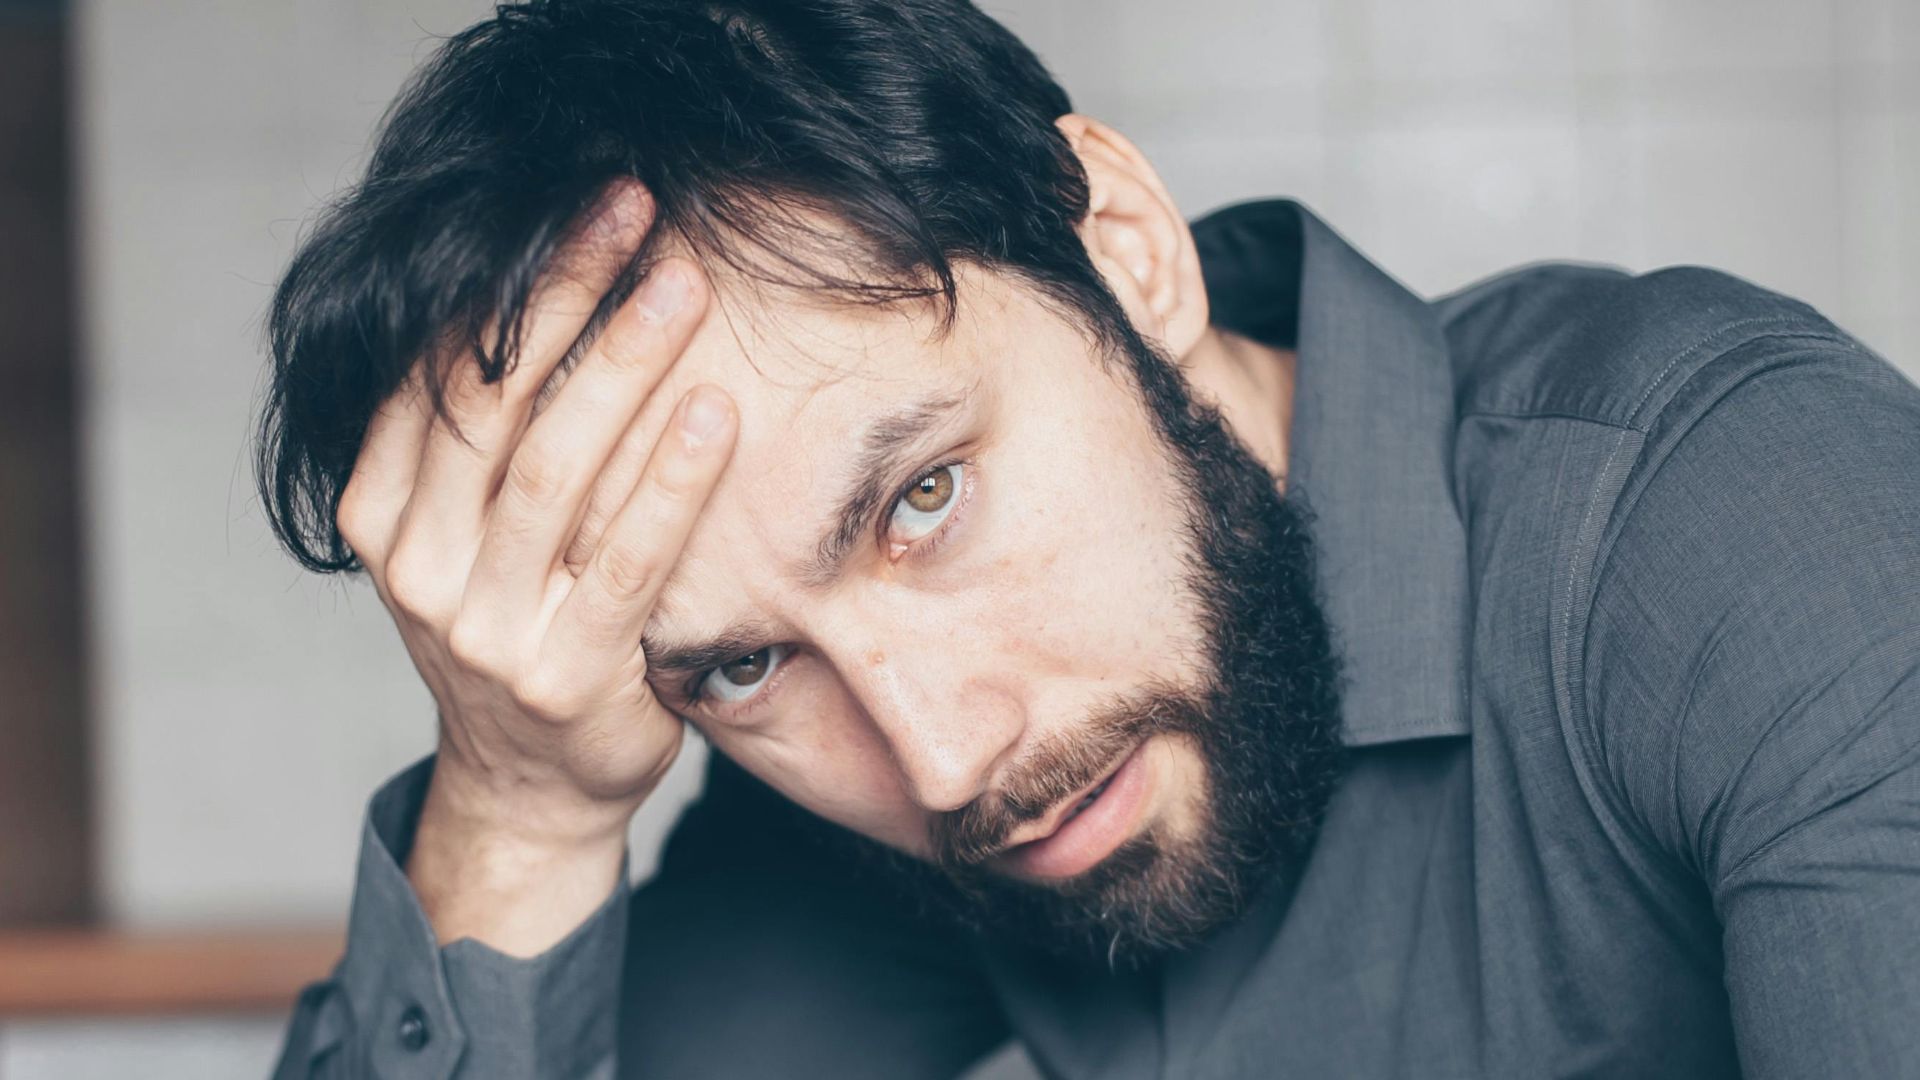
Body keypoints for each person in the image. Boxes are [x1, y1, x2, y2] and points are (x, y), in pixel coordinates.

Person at [257, 1, 1920, 1077]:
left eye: (923, 498)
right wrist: (522, 817)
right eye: (746, 663)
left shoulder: (1733, 518)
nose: (944, 756)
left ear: (1123, 249)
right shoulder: (877, 778)